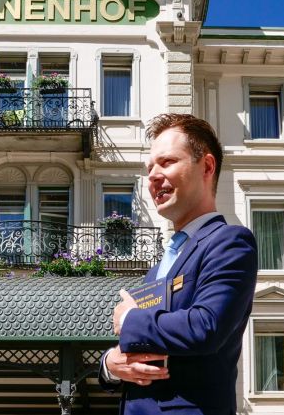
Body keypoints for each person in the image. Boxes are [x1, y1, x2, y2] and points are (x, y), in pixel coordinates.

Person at [98, 113, 258, 415]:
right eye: (150, 168)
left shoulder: (230, 242)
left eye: (167, 162)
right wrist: (110, 364)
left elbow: (205, 326)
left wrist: (130, 318)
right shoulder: (159, 267)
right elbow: (140, 347)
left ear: (207, 167)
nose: (153, 176)